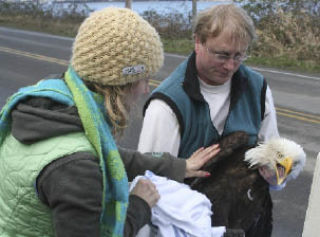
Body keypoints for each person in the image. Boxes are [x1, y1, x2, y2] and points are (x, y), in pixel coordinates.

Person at [0, 7, 220, 237]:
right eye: (143, 79)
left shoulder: (51, 102)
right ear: (121, 84)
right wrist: (140, 204)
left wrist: (178, 167)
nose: (147, 89)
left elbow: (108, 154)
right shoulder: (76, 167)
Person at [138, 3, 279, 160]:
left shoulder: (257, 88)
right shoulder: (166, 104)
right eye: (222, 55)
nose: (230, 66)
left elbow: (272, 153)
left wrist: (275, 171)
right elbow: (151, 176)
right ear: (198, 43)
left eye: (239, 56)